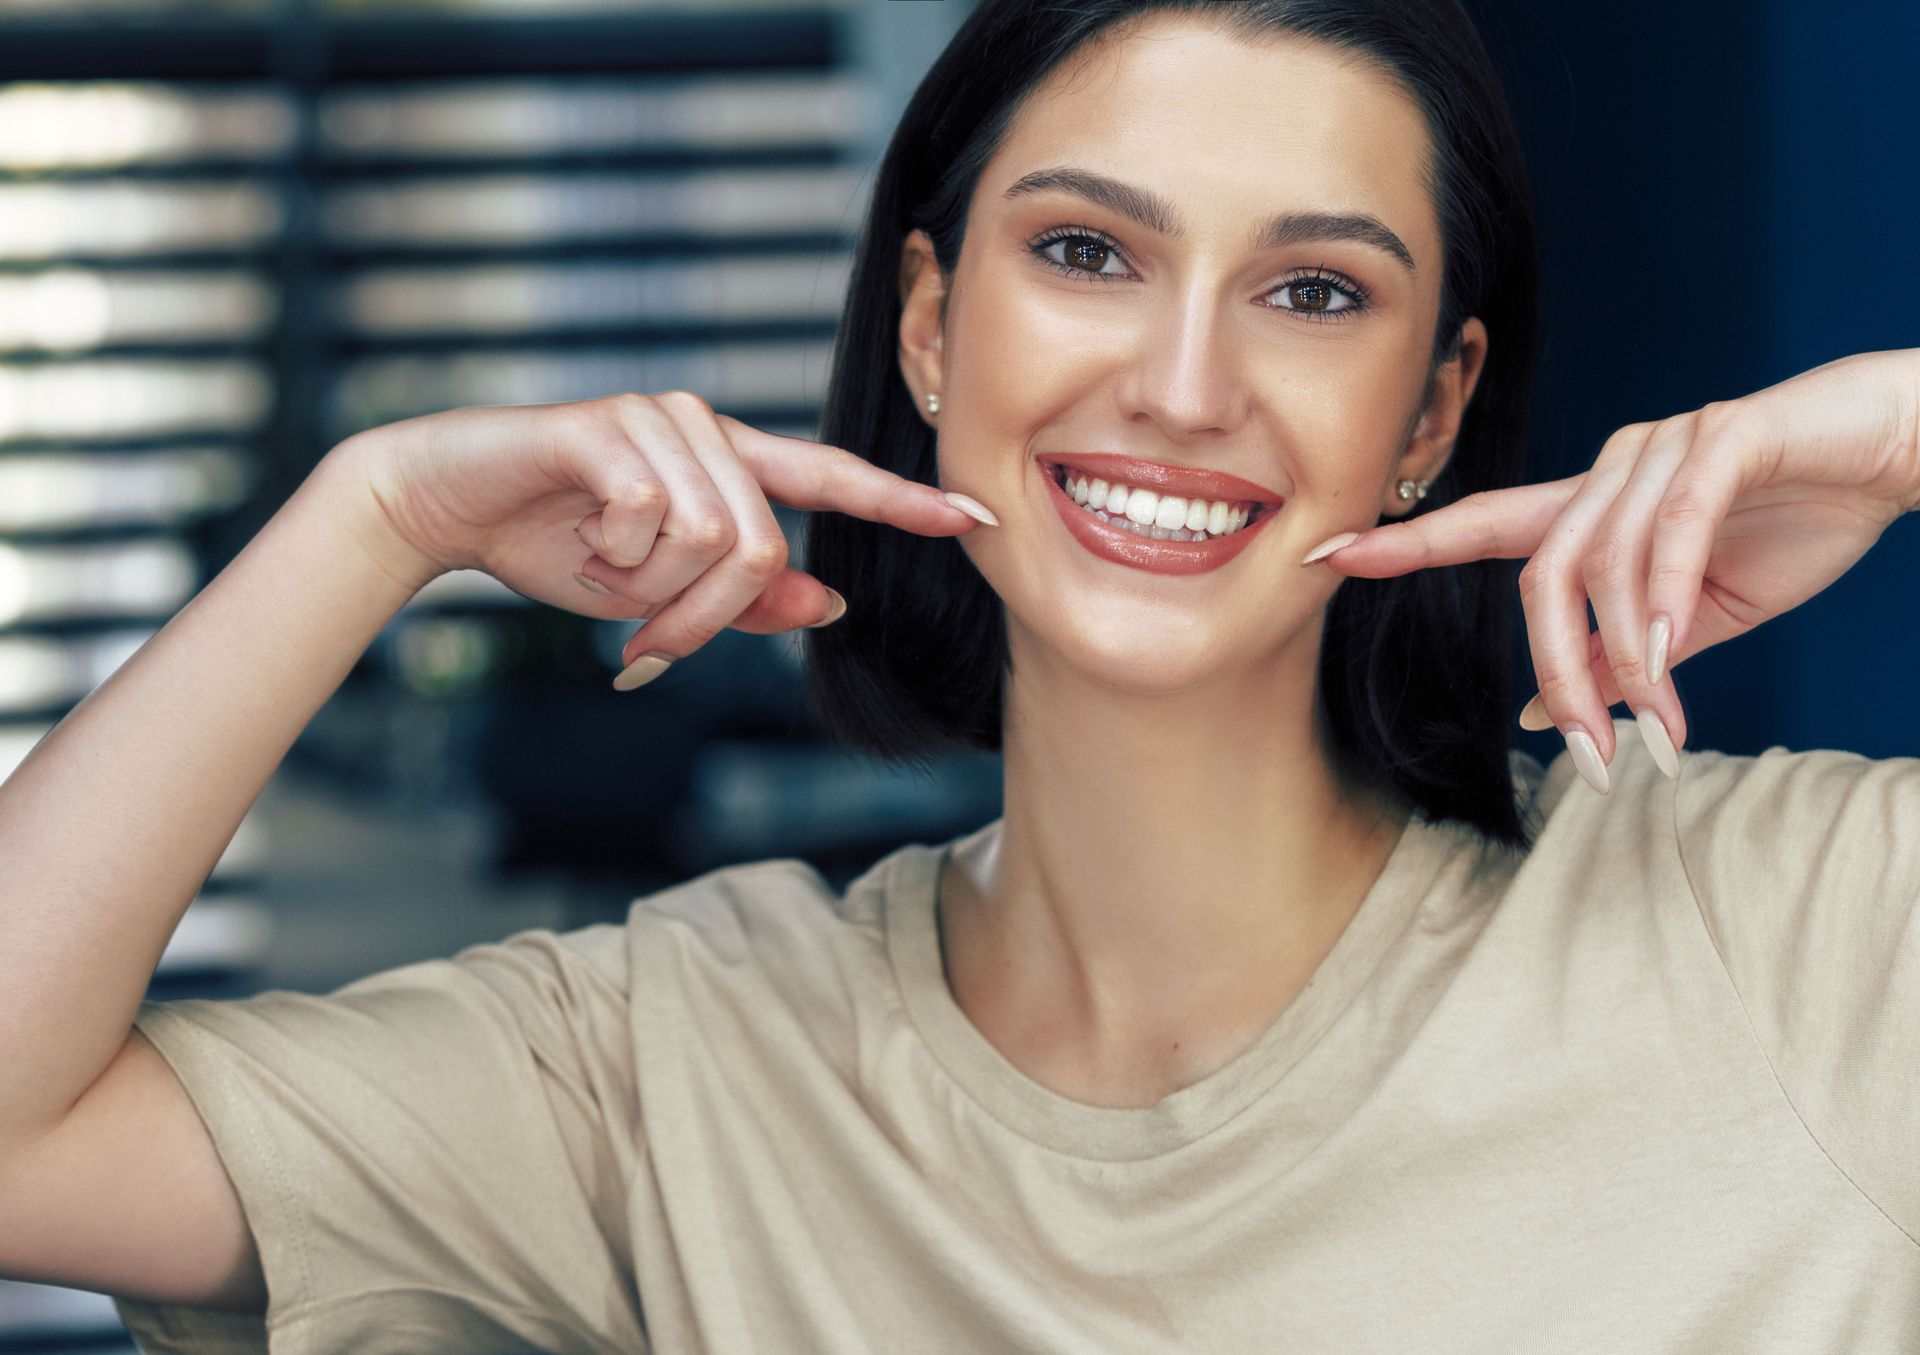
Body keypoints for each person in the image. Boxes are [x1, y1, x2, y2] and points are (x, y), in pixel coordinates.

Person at [2, 0, 1916, 1349]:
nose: (1181, 383)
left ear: (1433, 407)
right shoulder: (677, 1075)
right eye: (1087, 251)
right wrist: (378, 510)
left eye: (1315, 290)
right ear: (931, 328)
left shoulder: (1800, 929)